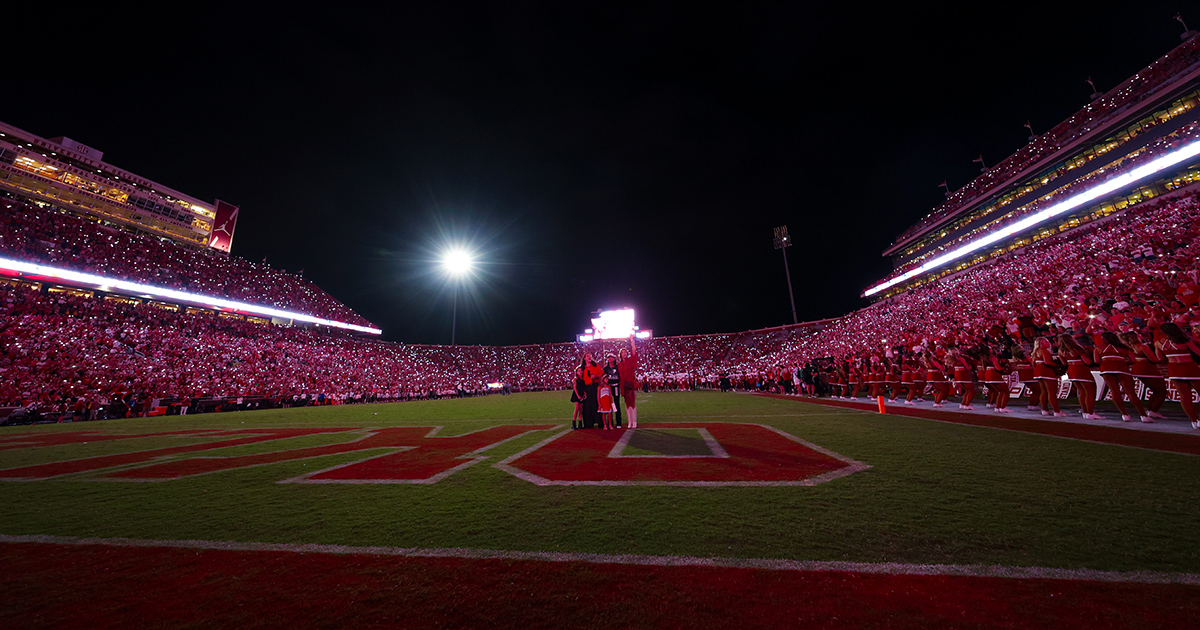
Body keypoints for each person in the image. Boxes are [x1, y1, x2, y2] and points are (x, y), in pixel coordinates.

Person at [617, 336, 639, 429]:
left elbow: (634, 351)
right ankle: (629, 421)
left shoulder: (630, 361)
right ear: (620, 355)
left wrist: (632, 340)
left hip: (631, 384)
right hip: (624, 385)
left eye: (625, 352)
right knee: (627, 404)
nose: (624, 353)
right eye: (622, 352)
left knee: (632, 403)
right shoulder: (619, 364)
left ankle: (634, 421)